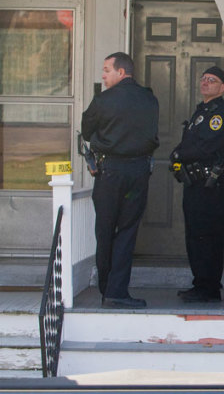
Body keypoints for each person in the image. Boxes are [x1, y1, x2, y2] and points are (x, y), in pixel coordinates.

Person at [81, 52, 159, 309]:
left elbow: (87, 129)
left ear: (122, 72)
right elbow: (152, 136)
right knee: (127, 232)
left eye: (106, 70)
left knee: (105, 230)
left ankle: (107, 289)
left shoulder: (103, 100)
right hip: (137, 172)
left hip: (109, 172)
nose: (103, 75)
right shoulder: (149, 99)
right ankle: (117, 291)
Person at [170, 66, 224, 303]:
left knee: (207, 235)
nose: (205, 83)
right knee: (194, 235)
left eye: (212, 80)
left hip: (210, 185)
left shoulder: (221, 114)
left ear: (223, 87)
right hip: (194, 183)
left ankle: (209, 288)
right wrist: (177, 155)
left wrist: (180, 155)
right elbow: (188, 142)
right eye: (203, 79)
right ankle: (200, 283)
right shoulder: (201, 111)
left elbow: (205, 147)